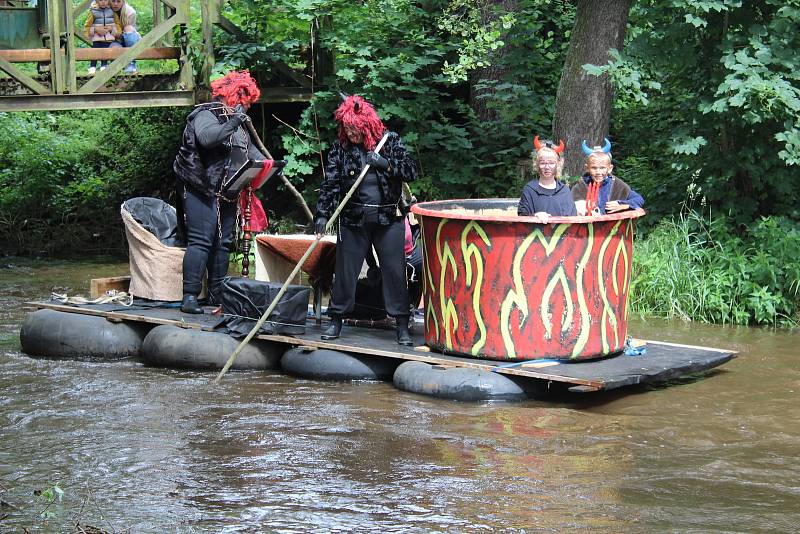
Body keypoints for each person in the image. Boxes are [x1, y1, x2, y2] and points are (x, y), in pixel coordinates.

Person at [314, 95, 418, 346]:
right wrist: (322, 214)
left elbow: (410, 170)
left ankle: (401, 324)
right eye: (346, 128)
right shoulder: (341, 148)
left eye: (354, 128)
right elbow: (331, 184)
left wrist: (385, 164)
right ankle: (336, 320)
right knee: (345, 271)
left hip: (387, 218)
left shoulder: (389, 142)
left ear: (365, 125)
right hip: (353, 219)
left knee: (394, 272)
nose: (350, 133)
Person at [172, 70, 266, 314]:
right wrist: (236, 121)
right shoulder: (205, 114)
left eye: (248, 102)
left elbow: (251, 154)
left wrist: (270, 166)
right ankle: (189, 297)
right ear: (230, 96)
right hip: (199, 186)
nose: (245, 105)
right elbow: (207, 138)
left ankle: (216, 295)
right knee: (202, 240)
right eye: (242, 100)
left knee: (223, 243)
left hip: (226, 191)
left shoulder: (238, 124)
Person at [571, 139, 644, 215]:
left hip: (613, 226)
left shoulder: (617, 185)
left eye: (602, 168)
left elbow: (639, 199)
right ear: (587, 168)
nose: (598, 172)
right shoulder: (580, 187)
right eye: (594, 168)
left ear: (610, 169)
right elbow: (568, 207)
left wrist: (622, 204)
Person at [517, 136, 577, 222]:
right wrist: (535, 216)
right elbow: (522, 217)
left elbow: (572, 219)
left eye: (551, 163)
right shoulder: (530, 189)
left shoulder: (564, 190)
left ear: (558, 164)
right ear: (537, 164)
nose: (547, 167)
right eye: (543, 163)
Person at [82, 0, 122, 75]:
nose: (103, 2)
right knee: (94, 52)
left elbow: (117, 24)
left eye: (105, 0)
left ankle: (104, 66)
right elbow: (87, 25)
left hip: (108, 38)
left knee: (105, 52)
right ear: (97, 1)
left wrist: (115, 31)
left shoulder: (112, 11)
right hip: (97, 38)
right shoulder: (93, 11)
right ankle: (92, 67)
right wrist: (91, 32)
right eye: (100, 0)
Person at [110, 0, 141, 74]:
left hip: (129, 38)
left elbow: (130, 30)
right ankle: (118, 67)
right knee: (114, 48)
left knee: (128, 28)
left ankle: (131, 63)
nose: (115, 4)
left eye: (118, 1)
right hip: (115, 40)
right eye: (113, 1)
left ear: (123, 1)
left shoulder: (130, 12)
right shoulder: (104, 10)